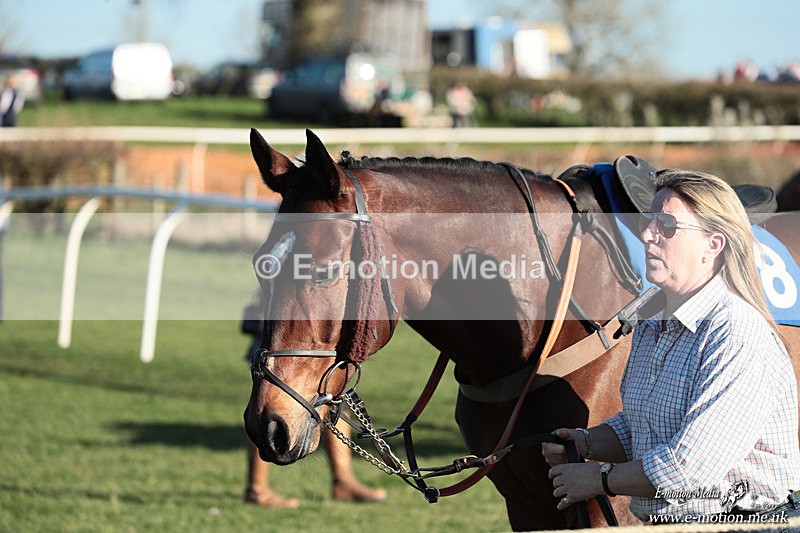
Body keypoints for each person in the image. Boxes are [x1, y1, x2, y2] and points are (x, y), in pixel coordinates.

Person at [542, 169, 800, 524]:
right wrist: (586, 442)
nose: (647, 234)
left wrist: (598, 480)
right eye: (649, 221)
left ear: (713, 245)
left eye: (666, 225)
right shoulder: (653, 324)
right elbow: (643, 427)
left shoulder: (738, 335)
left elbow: (689, 470)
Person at [241, 298, 388, 507]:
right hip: (284, 332)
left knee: (336, 402)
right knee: (270, 408)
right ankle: (257, 489)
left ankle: (343, 480)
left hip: (305, 326)